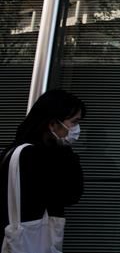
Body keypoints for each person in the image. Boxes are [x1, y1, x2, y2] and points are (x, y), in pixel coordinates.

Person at [0, 89, 85, 244]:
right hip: (29, 239)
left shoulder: (13, 150)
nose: (76, 129)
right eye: (74, 122)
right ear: (53, 124)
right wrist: (67, 153)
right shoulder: (38, 157)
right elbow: (70, 194)